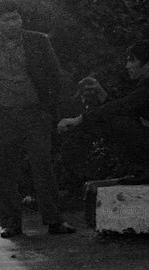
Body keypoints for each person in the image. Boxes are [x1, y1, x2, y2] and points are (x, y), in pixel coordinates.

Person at [0, 0, 76, 238]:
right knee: (5, 170)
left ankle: (54, 220)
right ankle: (11, 224)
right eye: (7, 19)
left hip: (34, 113)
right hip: (3, 116)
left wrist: (51, 111)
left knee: (43, 165)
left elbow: (55, 76)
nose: (14, 23)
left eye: (16, 18)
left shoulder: (38, 41)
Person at [58, 40, 149, 178]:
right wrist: (100, 91)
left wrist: (79, 119)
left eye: (132, 61)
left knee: (114, 123)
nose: (127, 66)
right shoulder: (143, 84)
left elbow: (121, 107)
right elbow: (123, 108)